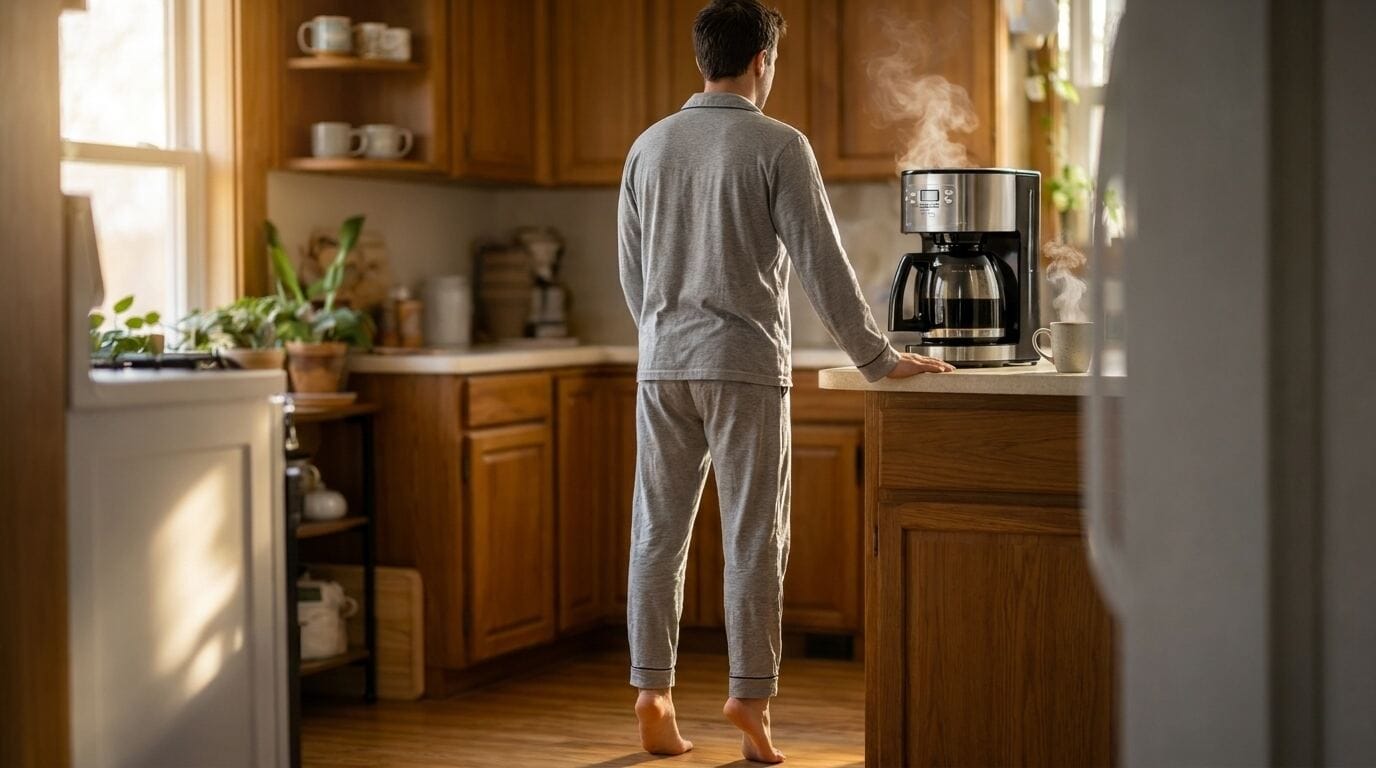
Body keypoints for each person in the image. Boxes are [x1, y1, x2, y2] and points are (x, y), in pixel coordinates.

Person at [617, 0, 953, 762]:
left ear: (702, 58)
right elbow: (821, 265)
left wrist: (666, 338)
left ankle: (652, 693)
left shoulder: (647, 146)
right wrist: (877, 358)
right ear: (762, 60)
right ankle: (750, 699)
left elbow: (632, 274)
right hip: (743, 367)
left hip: (663, 366)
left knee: (656, 534)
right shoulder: (779, 144)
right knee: (754, 536)